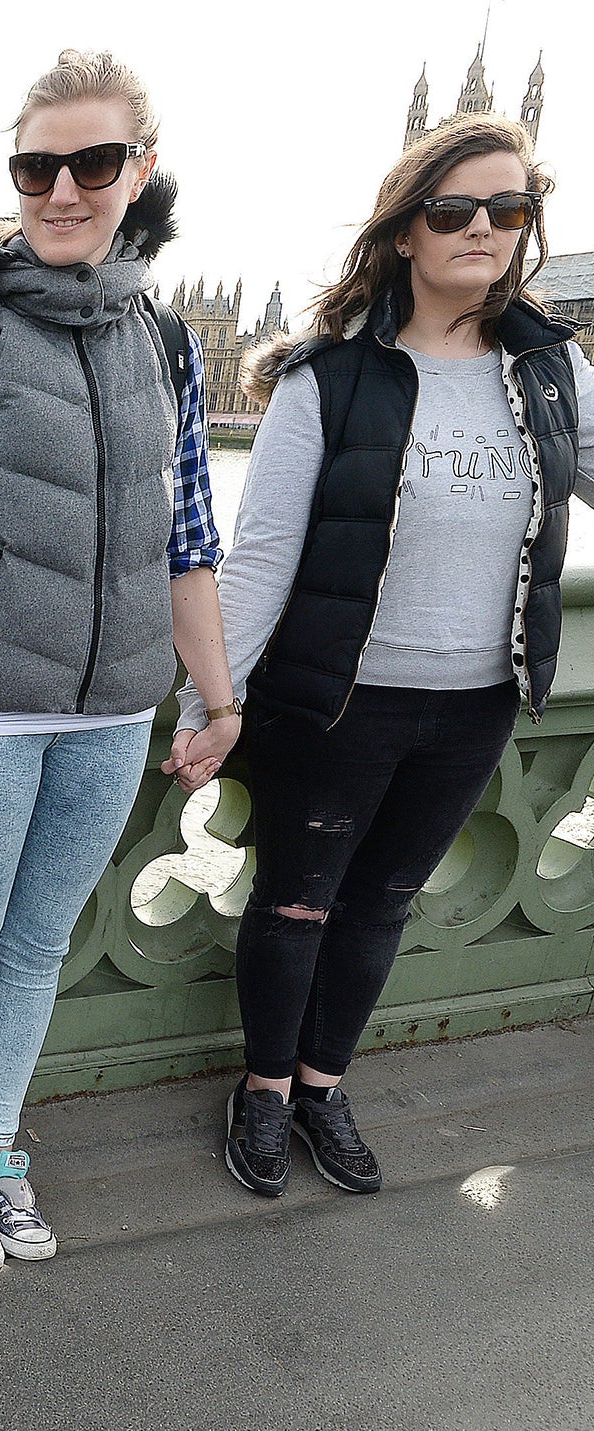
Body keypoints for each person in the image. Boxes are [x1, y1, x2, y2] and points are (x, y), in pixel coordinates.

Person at [166, 116, 593, 1199]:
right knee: (298, 900)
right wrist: (208, 703)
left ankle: (321, 1083)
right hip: (335, 698)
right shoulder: (328, 380)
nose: (482, 230)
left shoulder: (552, 372)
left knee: (383, 903)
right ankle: (261, 1091)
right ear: (405, 229)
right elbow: (255, 558)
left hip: (476, 699)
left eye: (509, 211)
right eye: (453, 210)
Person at [0, 50, 236, 1272]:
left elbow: (190, 542)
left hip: (111, 717)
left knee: (38, 949)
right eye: (35, 165)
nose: (60, 189)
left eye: (89, 162)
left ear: (137, 172)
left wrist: (212, 695)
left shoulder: (173, 350)